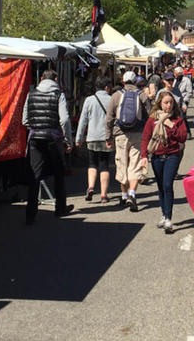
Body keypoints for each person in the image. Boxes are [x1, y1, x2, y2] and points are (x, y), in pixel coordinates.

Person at [22, 69, 74, 223]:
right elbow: (64, 120)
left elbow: (25, 120)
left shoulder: (31, 94)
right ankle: (60, 208)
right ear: (55, 79)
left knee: (35, 175)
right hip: (53, 138)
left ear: (42, 78)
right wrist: (68, 140)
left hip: (35, 137)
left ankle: (30, 213)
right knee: (59, 173)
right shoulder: (58, 94)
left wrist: (34, 126)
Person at [140, 90, 187, 234]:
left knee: (167, 184)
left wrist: (171, 126)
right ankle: (163, 214)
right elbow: (145, 138)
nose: (169, 105)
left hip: (172, 155)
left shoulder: (177, 119)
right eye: (166, 102)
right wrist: (144, 156)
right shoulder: (152, 119)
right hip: (157, 156)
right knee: (160, 186)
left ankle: (168, 218)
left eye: (171, 102)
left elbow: (183, 137)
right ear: (160, 103)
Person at [105, 70, 149, 212]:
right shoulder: (142, 95)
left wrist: (108, 137)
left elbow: (109, 118)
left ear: (123, 81)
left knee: (122, 164)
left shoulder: (116, 95)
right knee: (135, 165)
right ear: (136, 81)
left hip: (120, 135)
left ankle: (124, 196)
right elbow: (149, 115)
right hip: (137, 134)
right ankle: (132, 194)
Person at [75, 76, 113, 204]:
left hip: (92, 137)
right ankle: (103, 195)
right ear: (106, 87)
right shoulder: (111, 100)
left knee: (92, 163)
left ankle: (91, 187)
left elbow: (83, 120)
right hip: (106, 138)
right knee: (104, 165)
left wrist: (79, 138)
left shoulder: (89, 100)